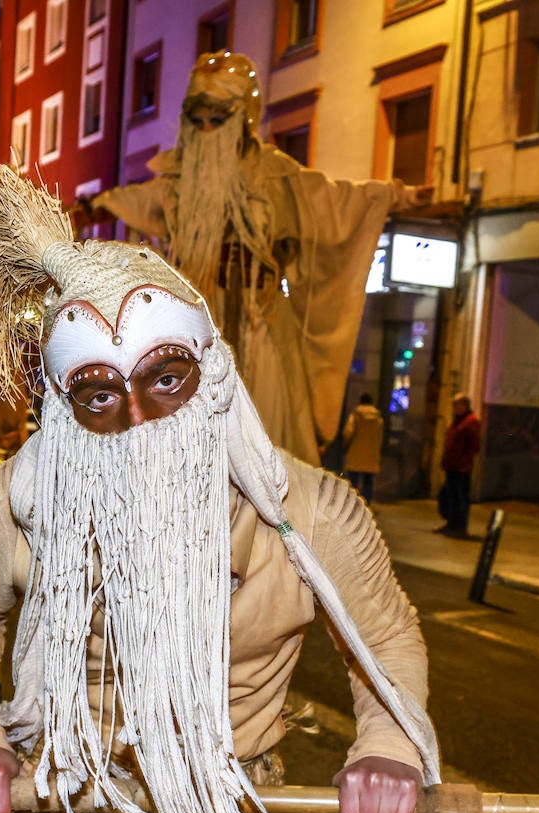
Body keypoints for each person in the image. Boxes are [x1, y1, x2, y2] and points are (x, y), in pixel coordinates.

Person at [0, 166, 438, 813]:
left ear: (214, 373)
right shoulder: (20, 500)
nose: (139, 418)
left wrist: (390, 746)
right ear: (65, 411)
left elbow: (385, 636)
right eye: (100, 394)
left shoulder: (313, 512)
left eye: (165, 380)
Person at [72, 51, 430, 466]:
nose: (206, 129)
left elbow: (336, 201)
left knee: (267, 421)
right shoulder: (178, 182)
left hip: (263, 321)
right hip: (199, 321)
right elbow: (132, 201)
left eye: (217, 119)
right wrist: (94, 207)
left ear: (241, 117)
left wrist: (401, 195)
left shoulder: (274, 176)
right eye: (197, 118)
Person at [436, 393, 481, 538]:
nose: (454, 408)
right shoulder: (458, 421)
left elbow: (474, 445)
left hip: (462, 467)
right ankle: (452, 524)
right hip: (452, 465)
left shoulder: (470, 422)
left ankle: (460, 527)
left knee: (461, 497)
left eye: (457, 405)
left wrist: (463, 459)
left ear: (464, 406)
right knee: (451, 496)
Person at [342, 392, 384, 504]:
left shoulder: (355, 416)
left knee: (353, 482)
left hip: (355, 453)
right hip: (371, 455)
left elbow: (348, 433)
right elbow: (379, 438)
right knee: (368, 482)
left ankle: (352, 504)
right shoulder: (378, 419)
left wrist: (346, 446)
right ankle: (366, 504)